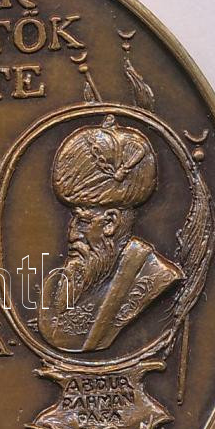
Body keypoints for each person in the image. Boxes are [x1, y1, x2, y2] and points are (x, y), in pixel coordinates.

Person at [38, 115, 182, 352]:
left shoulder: (156, 276)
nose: (72, 235)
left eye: (82, 221)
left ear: (111, 223)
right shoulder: (61, 284)